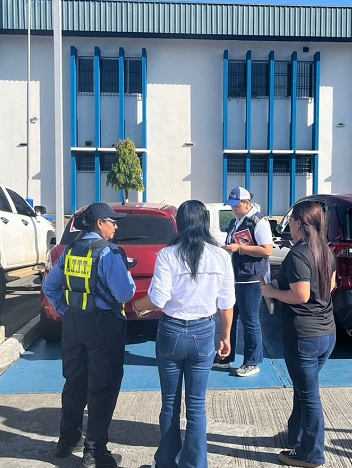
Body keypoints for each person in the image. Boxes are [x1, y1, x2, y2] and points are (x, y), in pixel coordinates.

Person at [132, 200, 235, 468]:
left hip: (172, 331)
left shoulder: (168, 254)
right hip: (204, 331)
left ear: (180, 223)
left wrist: (135, 305)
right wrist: (225, 337)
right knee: (197, 406)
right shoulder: (221, 256)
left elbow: (158, 298)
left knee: (170, 404)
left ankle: (165, 462)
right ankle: (196, 464)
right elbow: (226, 303)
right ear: (204, 222)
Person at [42, 202, 135, 468]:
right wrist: (126, 272)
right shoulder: (109, 253)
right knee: (102, 387)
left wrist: (66, 310)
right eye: (112, 221)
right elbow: (125, 294)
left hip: (74, 326)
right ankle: (94, 453)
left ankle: (67, 439)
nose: (116, 226)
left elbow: (50, 285)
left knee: (74, 383)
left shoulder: (70, 250)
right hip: (103, 327)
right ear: (98, 224)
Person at [260, 201, 337, 468]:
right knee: (304, 388)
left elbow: (301, 295)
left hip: (305, 335)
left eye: (291, 220)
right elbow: (332, 285)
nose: (289, 225)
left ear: (300, 224)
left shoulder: (299, 255)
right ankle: (297, 436)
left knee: (308, 395)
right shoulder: (326, 250)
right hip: (326, 332)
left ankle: (311, 453)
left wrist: (272, 293)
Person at [215, 186, 273, 377]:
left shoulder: (259, 221)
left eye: (237, 206)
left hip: (251, 277)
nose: (234, 209)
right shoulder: (235, 221)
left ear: (247, 203)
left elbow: (267, 250)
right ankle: (226, 356)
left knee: (250, 320)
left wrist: (239, 248)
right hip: (235, 276)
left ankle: (252, 361)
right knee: (231, 316)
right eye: (232, 206)